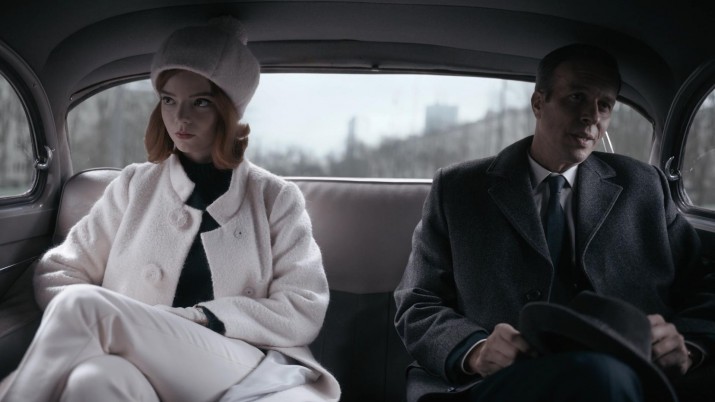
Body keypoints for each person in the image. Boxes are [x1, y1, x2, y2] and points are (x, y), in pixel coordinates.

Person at [0, 17, 340, 402]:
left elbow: (302, 308)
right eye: (168, 100)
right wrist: (125, 327)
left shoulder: (275, 198)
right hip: (138, 359)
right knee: (91, 380)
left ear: (230, 109)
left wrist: (197, 317)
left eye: (200, 102)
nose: (180, 118)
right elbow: (59, 272)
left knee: (84, 305)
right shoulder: (133, 185)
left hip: (240, 361)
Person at [394, 43, 715, 402]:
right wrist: (476, 350)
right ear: (538, 103)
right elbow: (417, 302)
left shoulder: (645, 186)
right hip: (501, 382)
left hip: (633, 377)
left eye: (604, 105)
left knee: (603, 377)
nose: (591, 116)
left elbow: (705, 286)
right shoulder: (458, 189)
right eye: (577, 97)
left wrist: (687, 344)